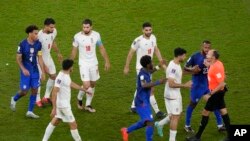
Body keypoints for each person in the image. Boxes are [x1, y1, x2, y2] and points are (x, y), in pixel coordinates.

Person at [123, 22, 166, 118]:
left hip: (149, 67)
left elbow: (156, 50)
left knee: (140, 87)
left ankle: (133, 106)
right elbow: (130, 54)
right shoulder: (138, 40)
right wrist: (127, 66)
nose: (148, 32)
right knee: (150, 89)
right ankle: (157, 111)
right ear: (142, 30)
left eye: (150, 30)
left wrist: (161, 62)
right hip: (141, 68)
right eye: (146, 30)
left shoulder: (153, 38)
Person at [186, 50, 231, 141]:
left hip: (216, 93)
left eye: (209, 54)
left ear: (213, 57)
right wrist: (209, 66)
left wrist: (209, 94)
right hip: (219, 92)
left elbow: (222, 83)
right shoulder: (218, 63)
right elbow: (221, 76)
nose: (207, 54)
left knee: (205, 112)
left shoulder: (215, 68)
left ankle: (197, 137)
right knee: (223, 111)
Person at [42, 59, 91, 141]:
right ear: (70, 67)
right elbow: (54, 92)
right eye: (72, 66)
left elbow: (70, 83)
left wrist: (84, 90)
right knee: (73, 125)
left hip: (61, 104)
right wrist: (54, 108)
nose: (73, 68)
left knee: (56, 121)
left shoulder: (64, 74)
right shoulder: (61, 77)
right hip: (64, 106)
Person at [121, 55, 167, 141]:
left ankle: (126, 130)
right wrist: (158, 82)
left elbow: (151, 71)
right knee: (150, 122)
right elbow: (144, 85)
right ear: (147, 65)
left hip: (145, 101)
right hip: (141, 102)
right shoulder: (142, 74)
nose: (152, 63)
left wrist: (159, 66)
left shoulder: (146, 70)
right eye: (151, 62)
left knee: (146, 121)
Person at [183, 40, 225, 132]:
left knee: (215, 103)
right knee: (192, 104)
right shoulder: (195, 56)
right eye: (205, 47)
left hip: (208, 85)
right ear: (201, 47)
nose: (207, 49)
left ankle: (220, 125)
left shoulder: (211, 58)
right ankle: (187, 125)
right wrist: (193, 70)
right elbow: (184, 68)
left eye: (208, 48)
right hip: (197, 85)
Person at [70, 19, 110, 112]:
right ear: (82, 27)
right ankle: (79, 98)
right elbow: (74, 50)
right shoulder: (77, 37)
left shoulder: (96, 35)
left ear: (91, 27)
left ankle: (88, 104)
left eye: (87, 27)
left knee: (92, 84)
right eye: (84, 27)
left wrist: (107, 61)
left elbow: (101, 48)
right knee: (86, 85)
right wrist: (71, 64)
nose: (85, 29)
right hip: (83, 63)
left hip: (94, 63)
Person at [155, 47, 191, 141]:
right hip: (173, 95)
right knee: (175, 117)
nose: (185, 57)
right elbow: (171, 84)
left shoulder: (174, 63)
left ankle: (159, 124)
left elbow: (176, 74)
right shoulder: (173, 67)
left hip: (174, 95)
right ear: (179, 56)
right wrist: (185, 85)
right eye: (184, 55)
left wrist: (190, 71)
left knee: (177, 114)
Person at [10, 25, 46, 118]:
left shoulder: (38, 44)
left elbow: (40, 57)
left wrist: (43, 72)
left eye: (37, 33)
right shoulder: (22, 44)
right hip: (25, 71)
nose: (37, 35)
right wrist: (23, 69)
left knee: (35, 90)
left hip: (35, 71)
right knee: (24, 91)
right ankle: (14, 99)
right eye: (35, 33)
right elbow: (18, 58)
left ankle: (30, 111)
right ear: (30, 34)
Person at [36, 18, 63, 107]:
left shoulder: (53, 31)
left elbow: (53, 41)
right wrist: (44, 66)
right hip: (39, 59)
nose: (53, 29)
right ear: (46, 26)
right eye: (51, 27)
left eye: (53, 27)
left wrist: (58, 52)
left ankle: (46, 97)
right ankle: (37, 100)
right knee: (40, 79)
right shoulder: (39, 36)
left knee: (53, 76)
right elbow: (38, 53)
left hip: (48, 57)